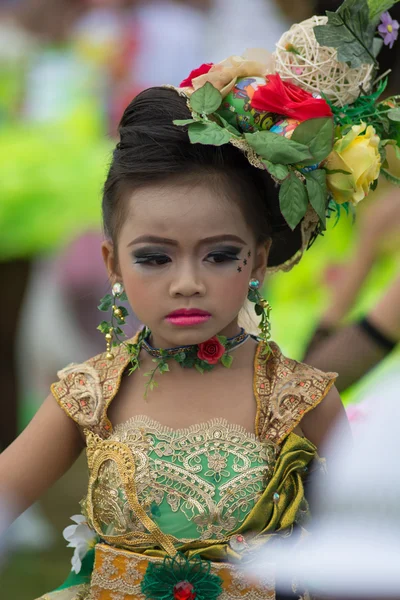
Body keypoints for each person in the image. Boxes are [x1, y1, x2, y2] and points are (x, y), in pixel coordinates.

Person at [1, 0, 400, 597]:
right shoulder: (89, 392)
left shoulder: (303, 400)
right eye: (154, 258)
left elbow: (360, 551)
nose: (186, 281)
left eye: (218, 255)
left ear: (260, 258)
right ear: (113, 262)